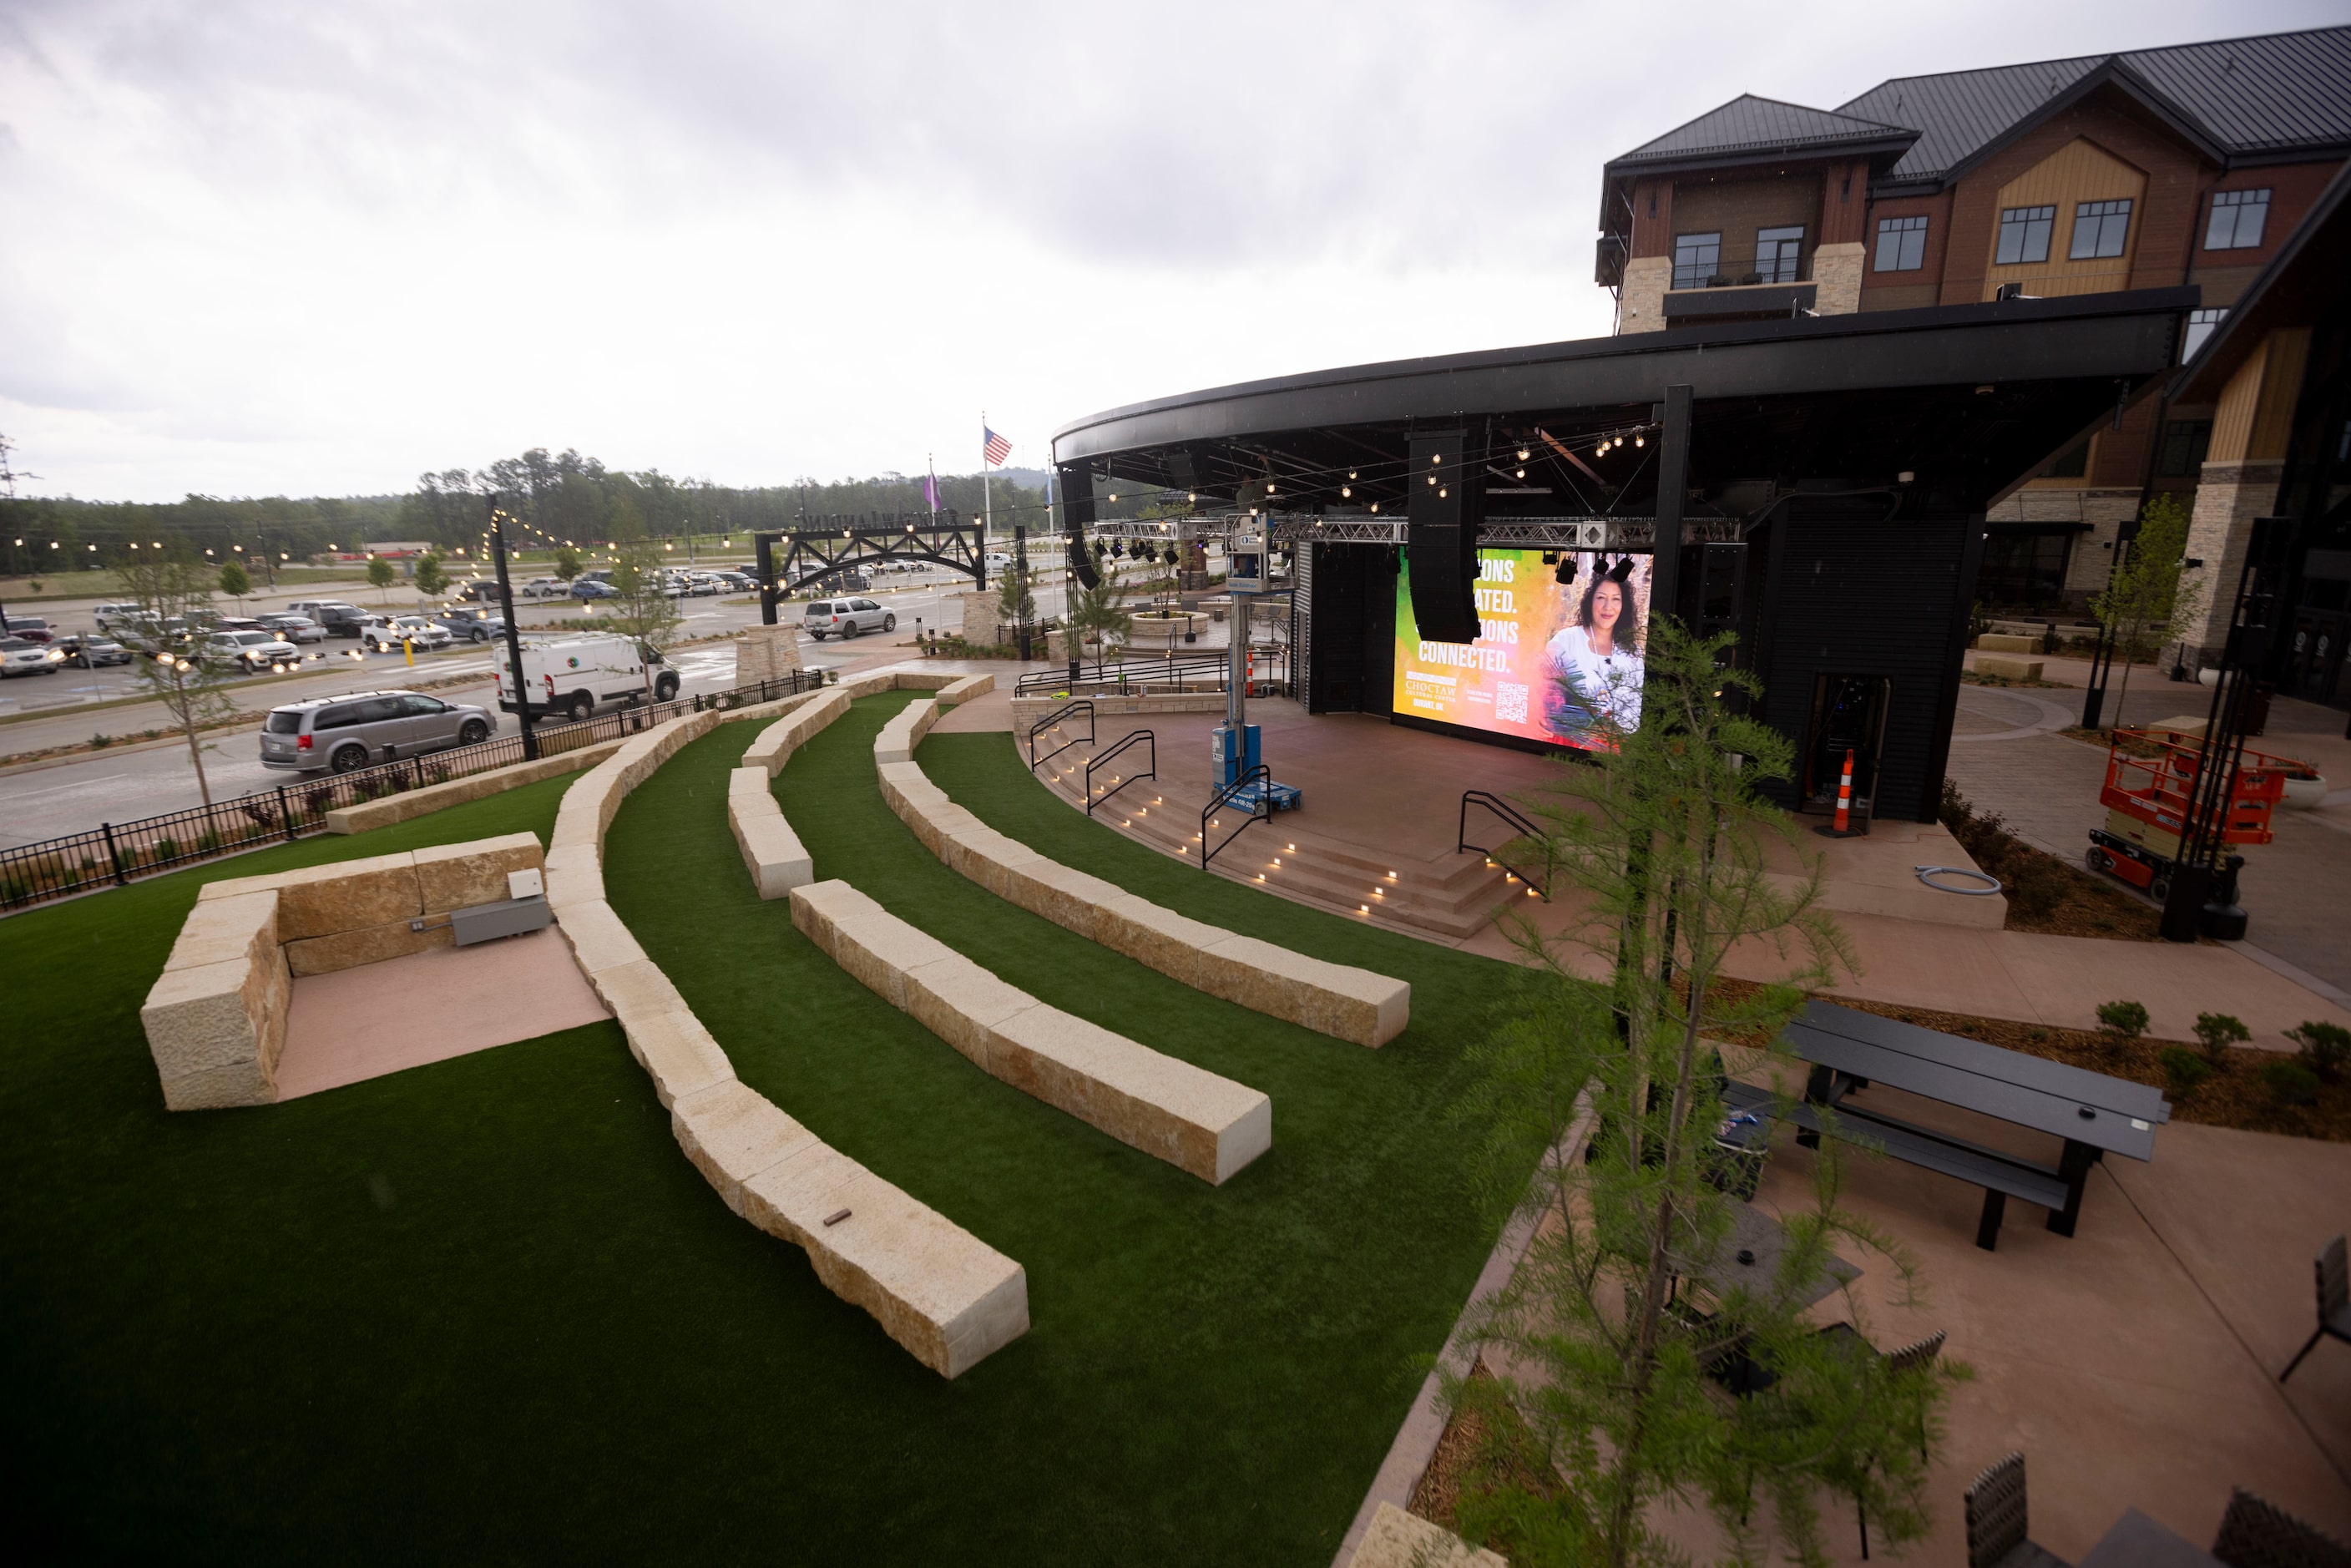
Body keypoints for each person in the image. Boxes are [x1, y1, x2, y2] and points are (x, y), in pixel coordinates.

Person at [1544, 559, 1645, 740]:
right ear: (1590, 602)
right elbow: (1541, 689)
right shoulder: (1566, 640)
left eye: (1616, 599)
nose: (1608, 607)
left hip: (1614, 749)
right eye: (1601, 598)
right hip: (1566, 744)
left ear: (1624, 606)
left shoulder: (1632, 652)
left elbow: (1635, 708)